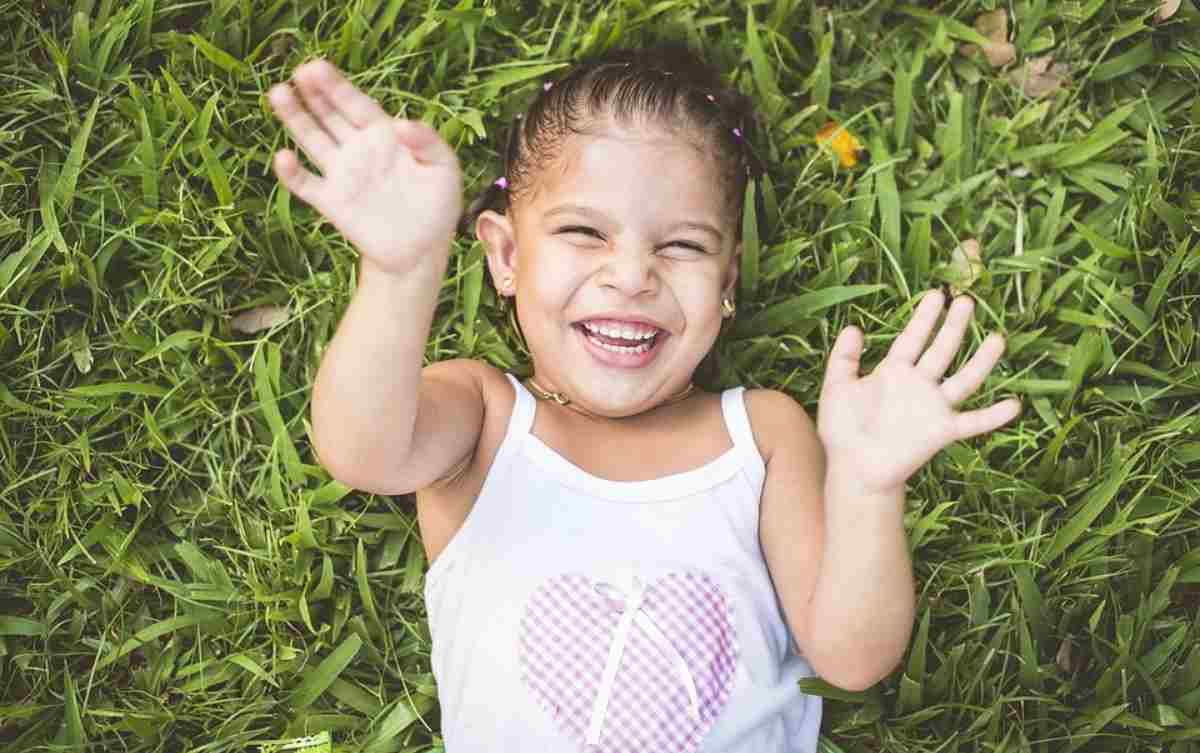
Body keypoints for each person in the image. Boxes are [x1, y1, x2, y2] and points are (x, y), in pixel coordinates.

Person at [266, 42, 1022, 753]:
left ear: (725, 285)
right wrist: (402, 273)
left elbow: (852, 657)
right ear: (504, 255)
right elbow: (361, 450)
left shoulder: (760, 434)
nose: (631, 275)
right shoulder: (485, 417)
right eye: (584, 232)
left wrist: (866, 485)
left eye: (683, 245)